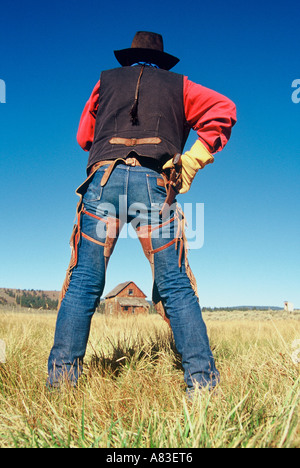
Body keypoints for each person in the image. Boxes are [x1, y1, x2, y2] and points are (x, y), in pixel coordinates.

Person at [47, 31, 237, 394]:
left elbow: (84, 138)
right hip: (155, 182)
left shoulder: (104, 82)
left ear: (129, 57)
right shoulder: (179, 86)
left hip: (104, 180)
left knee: (84, 282)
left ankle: (60, 388)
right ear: (162, 61)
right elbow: (223, 110)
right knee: (176, 285)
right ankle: (201, 387)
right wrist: (192, 161)